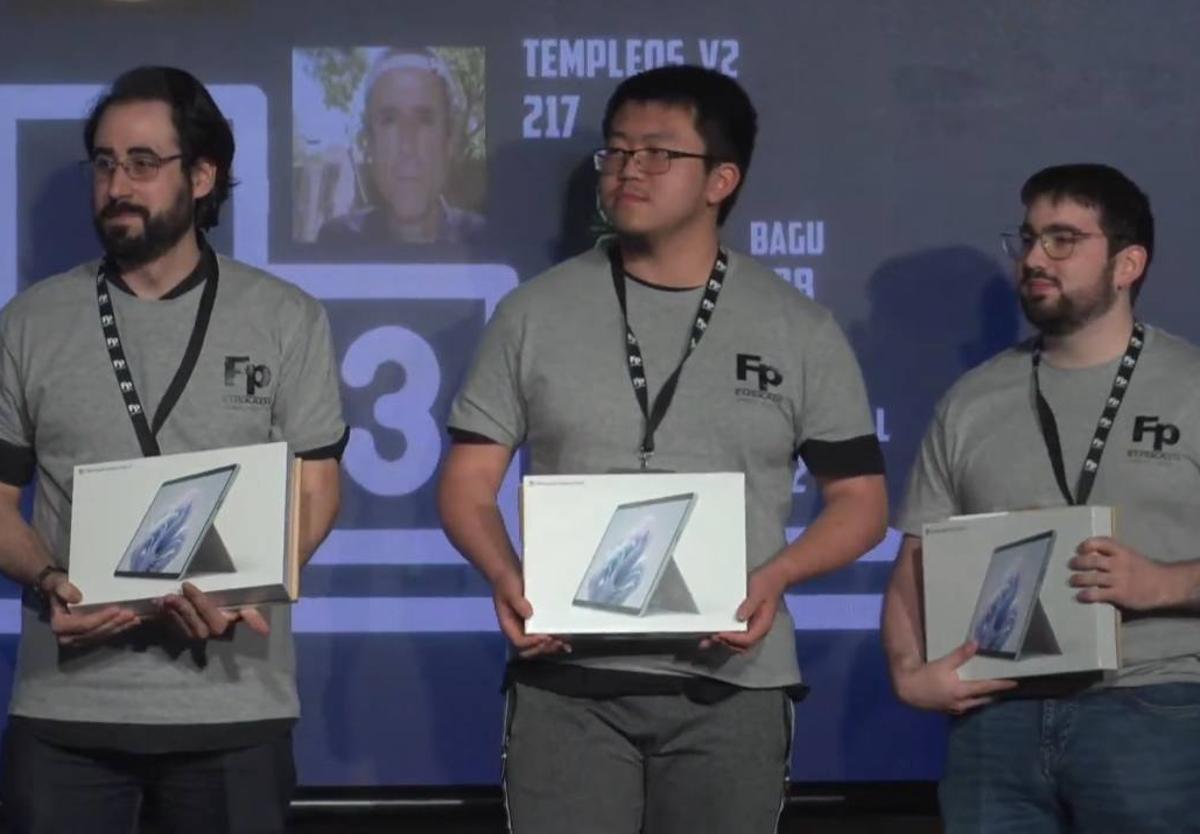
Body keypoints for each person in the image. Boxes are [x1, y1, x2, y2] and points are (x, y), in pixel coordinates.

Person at [438, 64, 887, 833]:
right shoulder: (533, 314)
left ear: (721, 179)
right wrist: (506, 574)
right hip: (567, 680)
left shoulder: (796, 328)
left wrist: (777, 576)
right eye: (615, 152)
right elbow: (467, 482)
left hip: (732, 682)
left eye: (657, 153)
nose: (627, 171)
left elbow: (862, 503)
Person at [0, 66, 348, 834]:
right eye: (104, 162)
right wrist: (52, 576)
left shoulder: (286, 318)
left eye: (142, 163)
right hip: (67, 715)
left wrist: (243, 588)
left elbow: (317, 490)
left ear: (201, 175)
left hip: (233, 711)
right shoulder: (29, 322)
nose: (117, 183)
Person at [882, 163, 1200, 832]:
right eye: (1026, 239)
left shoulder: (1191, 388)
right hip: (996, 716)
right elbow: (917, 557)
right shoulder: (972, 400)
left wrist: (1164, 583)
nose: (1033, 258)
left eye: (1062, 240)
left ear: (1127, 263)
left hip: (1154, 708)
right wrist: (911, 672)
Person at [315, 47, 484, 246]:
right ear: (370, 143)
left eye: (425, 120)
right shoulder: (338, 241)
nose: (407, 145)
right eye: (389, 121)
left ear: (448, 142)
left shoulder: (483, 240)